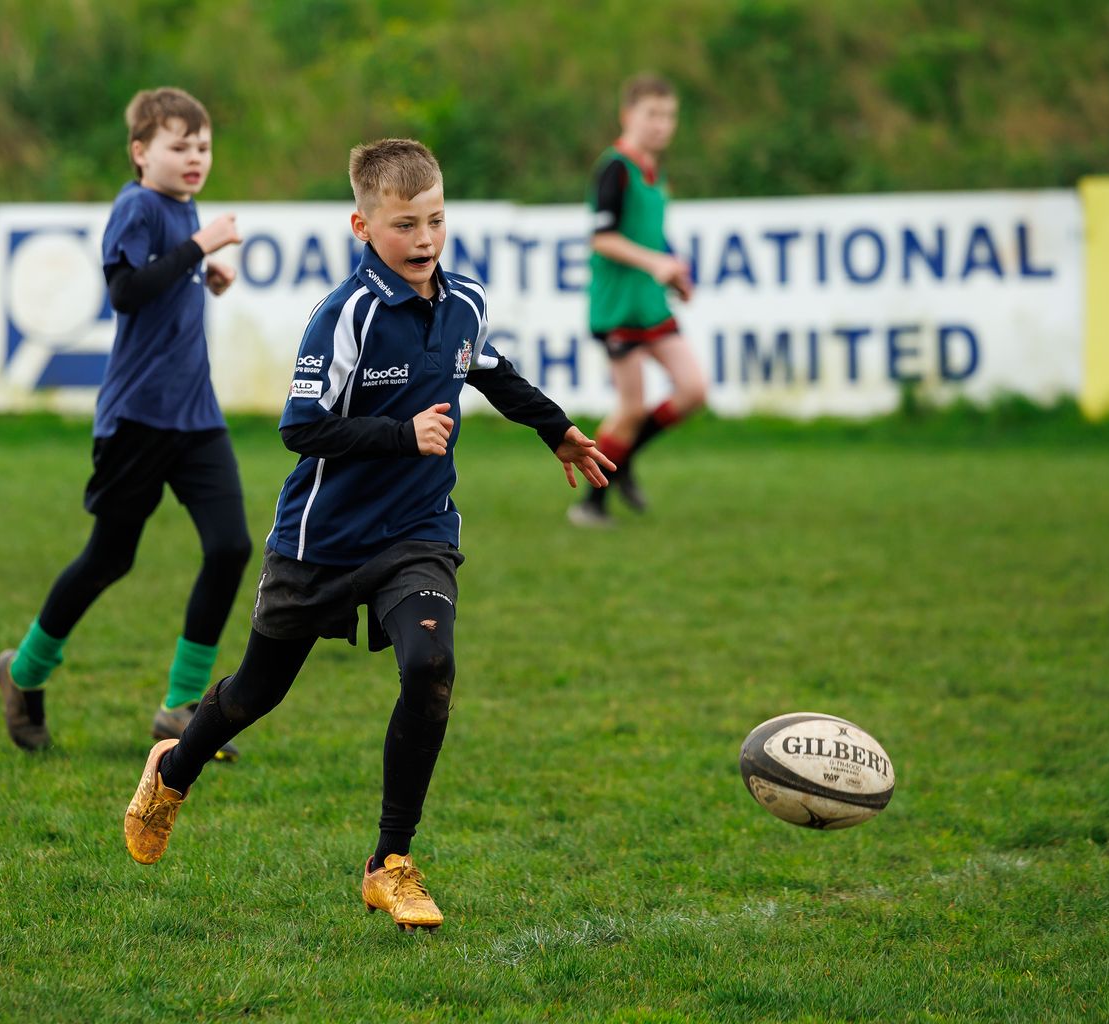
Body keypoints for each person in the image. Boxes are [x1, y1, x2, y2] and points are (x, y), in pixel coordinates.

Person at [121, 138, 615, 932]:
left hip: (418, 530)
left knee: (431, 665)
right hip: (322, 540)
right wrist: (400, 435)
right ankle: (173, 771)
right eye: (404, 225)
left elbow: (489, 369)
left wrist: (555, 430)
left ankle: (390, 863)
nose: (424, 239)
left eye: (436, 221)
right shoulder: (345, 314)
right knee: (255, 693)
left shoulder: (464, 301)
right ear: (363, 226)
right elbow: (299, 428)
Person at [0, 87, 252, 755]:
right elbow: (126, 290)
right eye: (179, 146)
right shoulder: (136, 205)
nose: (196, 158)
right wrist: (198, 248)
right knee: (109, 557)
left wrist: (205, 272)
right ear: (140, 152)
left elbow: (164, 279)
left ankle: (180, 706)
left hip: (196, 417)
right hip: (137, 419)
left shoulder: (182, 206)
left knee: (230, 547)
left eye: (204, 146)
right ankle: (24, 672)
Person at [569, 73, 707, 528]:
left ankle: (623, 459)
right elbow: (602, 238)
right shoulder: (615, 168)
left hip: (651, 303)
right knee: (631, 407)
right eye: (652, 114)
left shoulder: (655, 171)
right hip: (619, 308)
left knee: (693, 390)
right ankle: (591, 504)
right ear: (628, 115)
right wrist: (655, 263)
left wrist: (674, 271)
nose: (662, 124)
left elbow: (650, 233)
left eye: (669, 116)